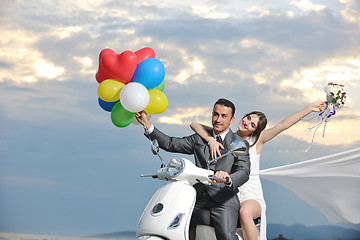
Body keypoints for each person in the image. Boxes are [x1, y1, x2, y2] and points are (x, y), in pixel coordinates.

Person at [190, 101, 327, 240]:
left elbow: (283, 125)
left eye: (252, 125)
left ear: (254, 131)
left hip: (251, 196)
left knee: (245, 212)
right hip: (230, 194)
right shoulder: (224, 136)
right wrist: (210, 140)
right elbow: (194, 125)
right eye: (248, 118)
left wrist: (310, 108)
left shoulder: (257, 140)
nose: (247, 123)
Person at [136, 98, 251, 240]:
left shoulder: (238, 142)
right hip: (197, 196)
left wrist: (228, 178)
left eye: (223, 116)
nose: (218, 119)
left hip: (223, 199)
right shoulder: (199, 139)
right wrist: (147, 125)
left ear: (232, 119)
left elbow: (244, 171)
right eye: (215, 114)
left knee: (227, 237)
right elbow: (171, 143)